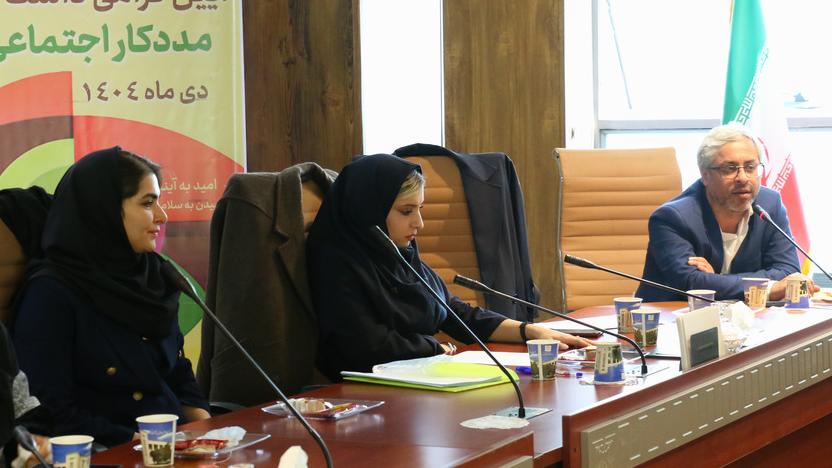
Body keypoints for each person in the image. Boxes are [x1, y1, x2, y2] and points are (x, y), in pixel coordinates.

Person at [306, 154, 591, 381]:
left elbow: (457, 314)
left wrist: (530, 331)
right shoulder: (335, 262)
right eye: (406, 211)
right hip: (362, 396)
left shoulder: (398, 255)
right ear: (369, 210)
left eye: (420, 209)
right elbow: (365, 346)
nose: (419, 223)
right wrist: (434, 348)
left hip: (413, 384)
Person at [12, 147, 209, 447]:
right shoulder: (51, 293)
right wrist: (139, 444)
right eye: (148, 203)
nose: (162, 216)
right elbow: (51, 410)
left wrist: (208, 431)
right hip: (108, 450)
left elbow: (176, 372)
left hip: (173, 446)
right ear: (103, 210)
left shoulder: (154, 277)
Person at [637, 124, 818, 302]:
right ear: (705, 175)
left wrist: (716, 279)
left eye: (750, 167)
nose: (743, 178)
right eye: (730, 169)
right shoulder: (672, 218)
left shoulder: (770, 205)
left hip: (750, 316)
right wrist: (768, 288)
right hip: (673, 316)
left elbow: (788, 271)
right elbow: (690, 282)